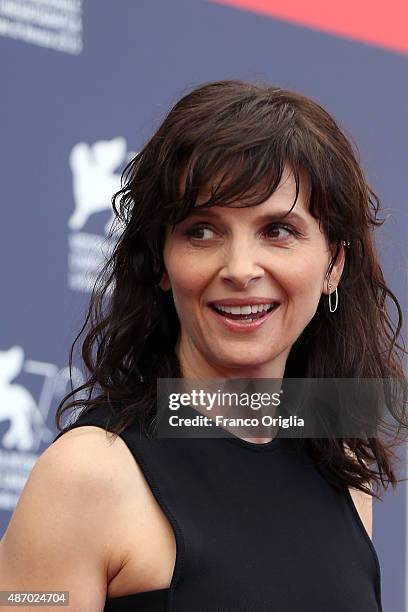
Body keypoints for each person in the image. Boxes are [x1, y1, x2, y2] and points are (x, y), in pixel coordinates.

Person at [0, 79, 407, 611]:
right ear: (162, 264)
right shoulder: (88, 475)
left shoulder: (341, 463)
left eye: (278, 230)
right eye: (201, 231)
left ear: (334, 264)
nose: (239, 269)